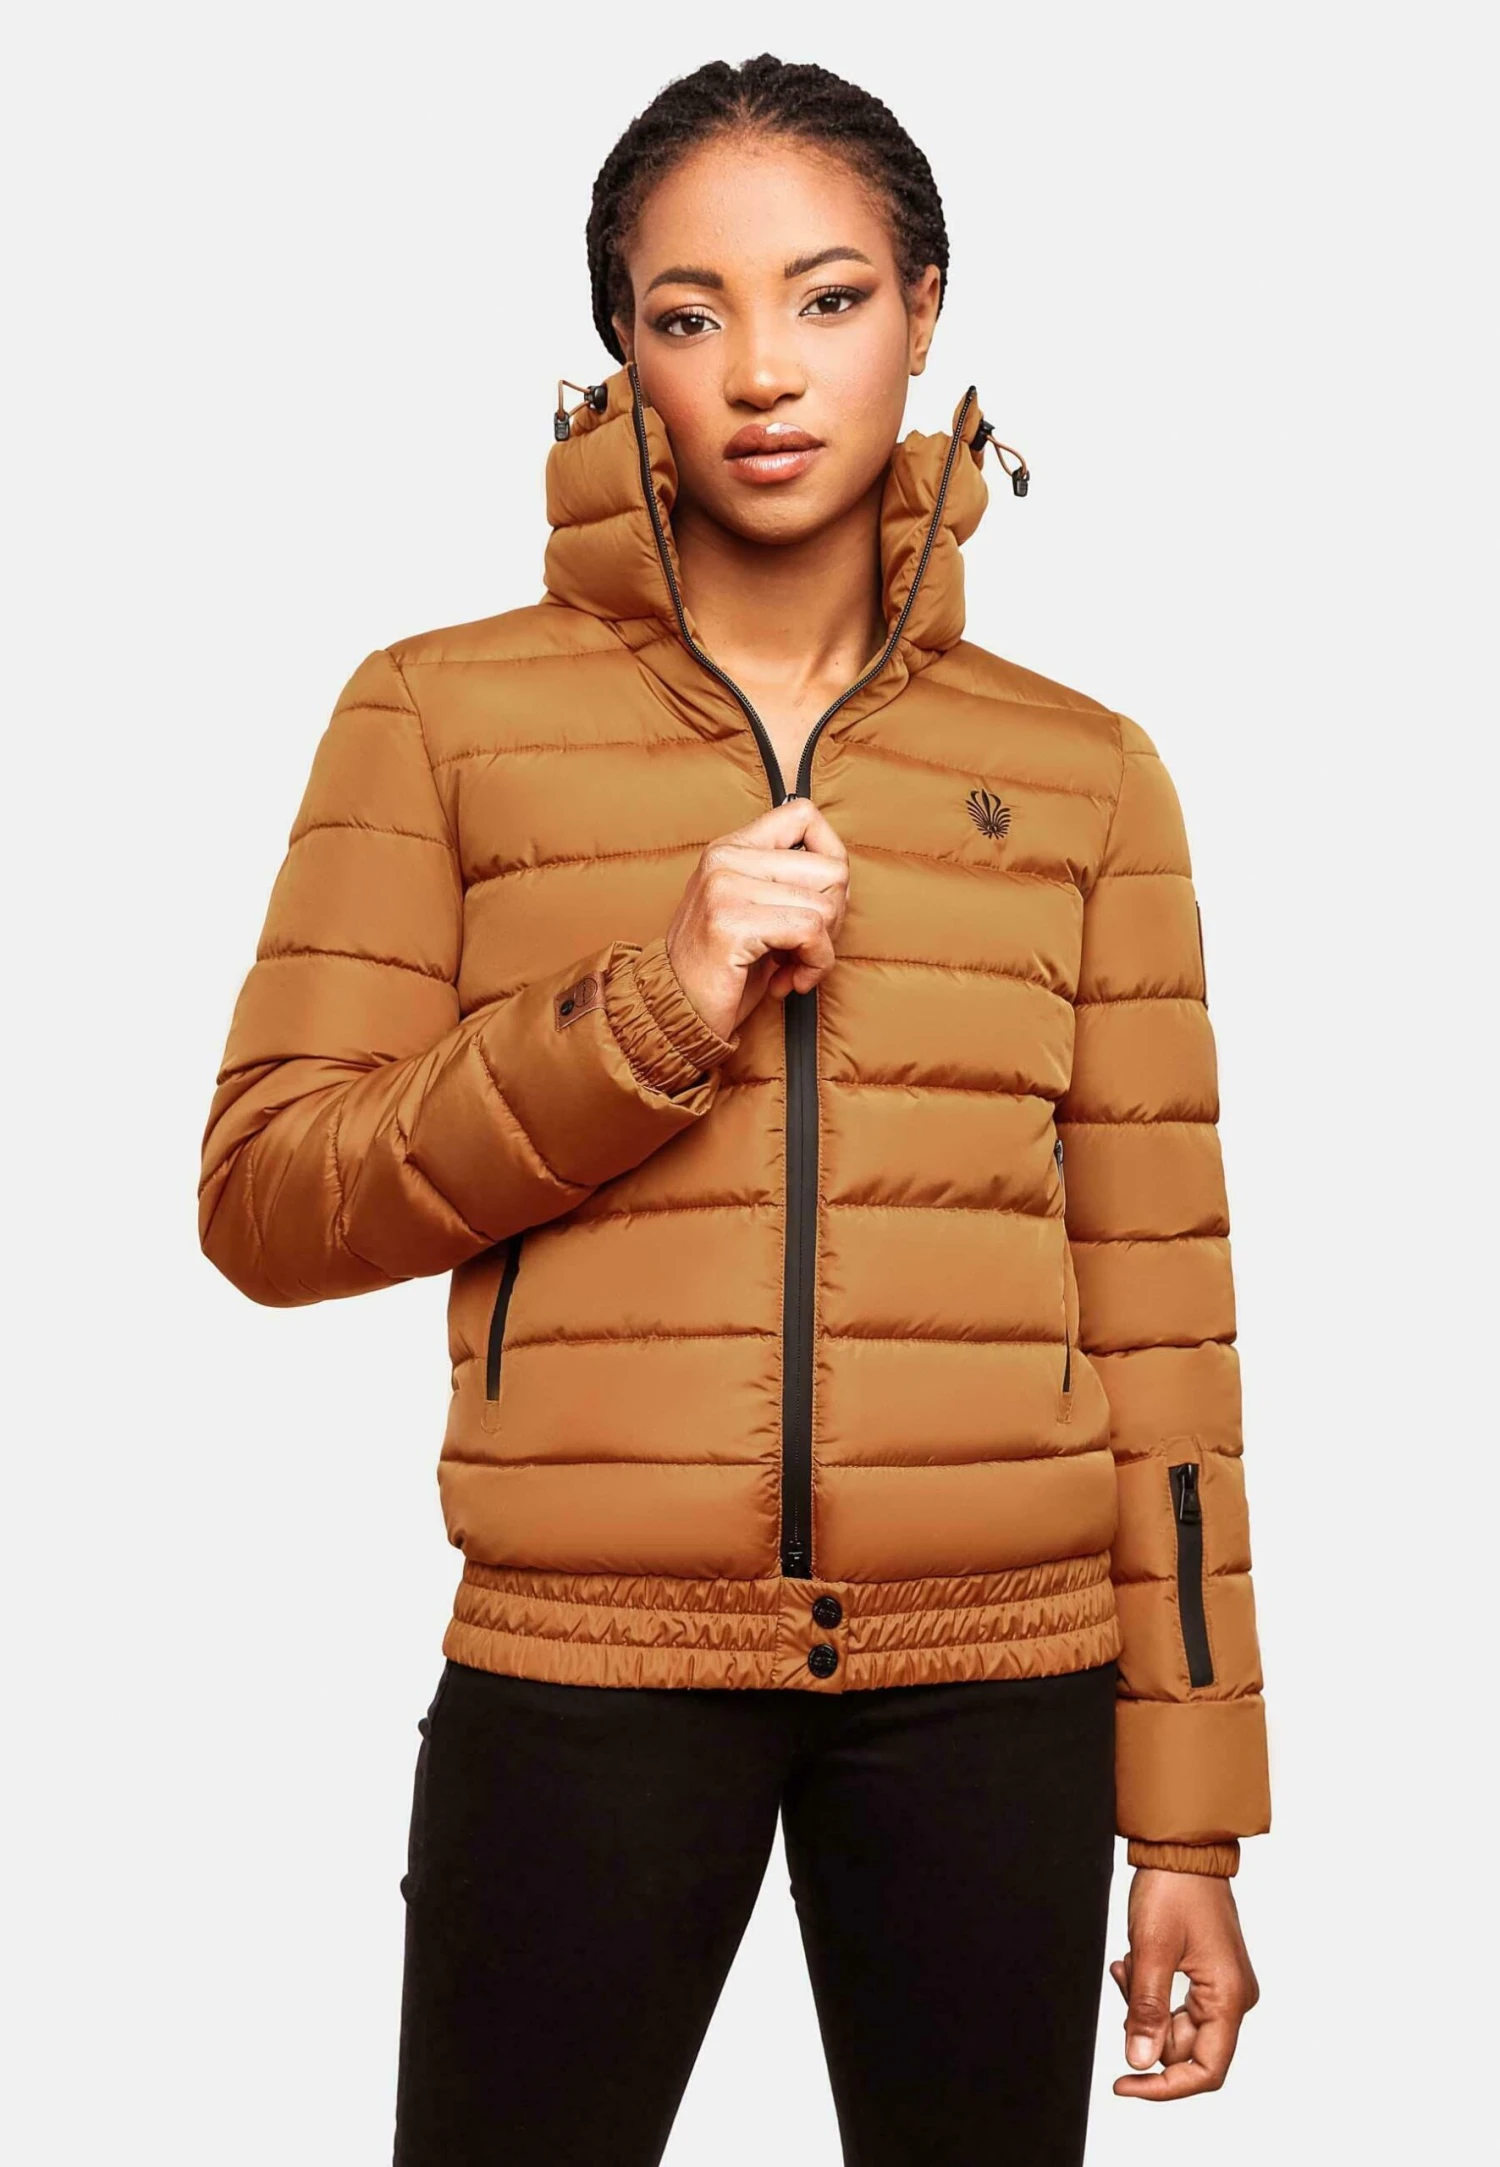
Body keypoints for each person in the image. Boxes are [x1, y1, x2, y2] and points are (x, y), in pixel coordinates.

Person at [198, 52, 1269, 2167]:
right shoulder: (437, 716)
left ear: (928, 312)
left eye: (830, 298)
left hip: (1004, 1681)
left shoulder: (1083, 774)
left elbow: (1166, 1317)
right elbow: (266, 1199)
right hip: (585, 1666)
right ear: (624, 353)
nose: (764, 372)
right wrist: (650, 1007)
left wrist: (1191, 1827)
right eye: (690, 314)